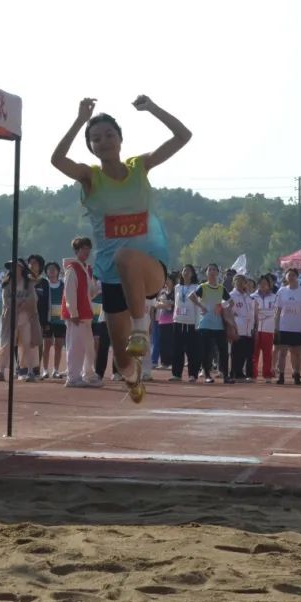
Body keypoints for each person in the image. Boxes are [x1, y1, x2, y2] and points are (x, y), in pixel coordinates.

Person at [50, 96, 191, 403]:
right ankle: (132, 377)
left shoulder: (140, 166)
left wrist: (152, 108)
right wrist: (79, 120)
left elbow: (183, 136)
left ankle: (141, 328)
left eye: (109, 135)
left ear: (120, 139)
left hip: (150, 267)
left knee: (125, 256)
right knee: (123, 360)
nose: (104, 142)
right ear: (91, 146)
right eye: (96, 139)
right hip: (113, 278)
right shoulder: (91, 177)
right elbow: (57, 160)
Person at [0, 259, 41, 382]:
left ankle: (30, 371)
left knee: (28, 344)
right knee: (6, 344)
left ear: (22, 268)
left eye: (16, 266)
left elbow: (33, 298)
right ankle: (1, 371)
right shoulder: (7, 283)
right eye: (12, 266)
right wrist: (18, 303)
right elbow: (6, 300)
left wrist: (23, 304)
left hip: (26, 317)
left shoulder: (28, 282)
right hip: (10, 318)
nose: (14, 268)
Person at [62, 238, 100, 388]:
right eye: (84, 249)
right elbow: (69, 292)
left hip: (85, 314)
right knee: (76, 347)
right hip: (77, 316)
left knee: (89, 347)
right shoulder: (72, 269)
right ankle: (73, 377)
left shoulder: (87, 269)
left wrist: (99, 286)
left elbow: (90, 292)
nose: (87, 252)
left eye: (88, 249)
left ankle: (88, 375)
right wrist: (73, 313)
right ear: (77, 250)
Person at [191, 263, 231, 384]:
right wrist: (201, 306)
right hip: (205, 324)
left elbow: (231, 302)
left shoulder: (221, 288)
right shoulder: (203, 287)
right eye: (210, 270)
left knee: (223, 351)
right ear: (206, 273)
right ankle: (207, 375)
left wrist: (222, 307)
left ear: (218, 273)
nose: (212, 272)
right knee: (206, 351)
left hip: (219, 325)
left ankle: (225, 375)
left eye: (214, 270)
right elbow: (191, 296)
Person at [273, 268, 301, 386]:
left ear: (297, 277)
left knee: (297, 353)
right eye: (289, 275)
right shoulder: (282, 291)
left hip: (297, 327)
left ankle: (297, 374)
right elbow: (278, 309)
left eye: (293, 275)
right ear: (286, 277)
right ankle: (281, 376)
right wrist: (276, 326)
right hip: (284, 326)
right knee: (282, 353)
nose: (291, 277)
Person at [171, 264, 200, 382]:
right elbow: (176, 304)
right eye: (184, 271)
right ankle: (176, 374)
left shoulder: (196, 287)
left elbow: (197, 306)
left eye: (188, 271)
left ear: (192, 274)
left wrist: (197, 323)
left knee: (192, 349)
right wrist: (174, 318)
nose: (186, 273)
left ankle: (192, 374)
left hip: (191, 322)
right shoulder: (177, 287)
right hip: (178, 321)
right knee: (177, 349)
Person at [226, 274, 257, 382]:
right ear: (234, 282)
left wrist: (253, 326)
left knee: (246, 353)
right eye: (237, 281)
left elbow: (252, 312)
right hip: (237, 328)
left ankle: (242, 373)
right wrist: (231, 327)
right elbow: (228, 312)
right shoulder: (231, 296)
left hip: (248, 329)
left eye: (242, 281)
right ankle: (235, 373)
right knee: (237, 353)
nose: (240, 283)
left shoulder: (248, 297)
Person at [251, 274, 277, 383]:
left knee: (267, 353)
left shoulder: (274, 297)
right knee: (254, 352)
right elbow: (252, 312)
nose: (263, 285)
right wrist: (264, 312)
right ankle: (253, 374)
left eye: (265, 283)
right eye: (261, 283)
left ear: (269, 285)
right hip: (255, 328)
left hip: (268, 328)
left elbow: (275, 312)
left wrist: (261, 312)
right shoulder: (252, 297)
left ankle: (267, 374)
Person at [44, 262, 66, 378]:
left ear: (58, 271)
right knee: (46, 345)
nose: (52, 271)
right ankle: (44, 370)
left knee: (58, 345)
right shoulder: (44, 285)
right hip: (48, 320)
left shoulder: (63, 285)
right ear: (46, 272)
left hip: (60, 321)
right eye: (49, 269)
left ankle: (56, 370)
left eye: (54, 269)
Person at [153, 276, 175, 370]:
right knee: (163, 342)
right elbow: (156, 304)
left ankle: (171, 362)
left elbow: (174, 304)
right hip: (162, 320)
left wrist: (166, 304)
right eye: (165, 280)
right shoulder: (162, 292)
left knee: (171, 342)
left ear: (172, 281)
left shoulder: (175, 292)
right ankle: (164, 362)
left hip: (172, 320)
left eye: (168, 280)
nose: (166, 282)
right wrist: (166, 304)